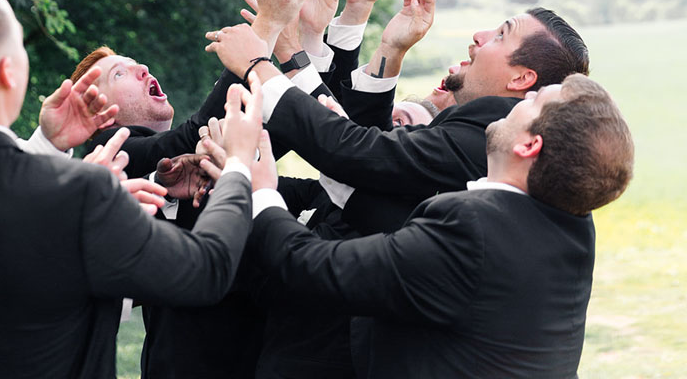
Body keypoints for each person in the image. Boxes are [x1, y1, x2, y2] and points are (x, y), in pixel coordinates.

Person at [0, 0, 260, 379]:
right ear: (8, 72)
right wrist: (239, 166)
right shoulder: (78, 194)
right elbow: (205, 271)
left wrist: (52, 148)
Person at [246, 74, 634, 379]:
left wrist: (261, 188)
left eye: (533, 102)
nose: (519, 102)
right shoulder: (572, 225)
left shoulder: (471, 226)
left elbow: (311, 266)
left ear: (529, 146)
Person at [207, 4, 591, 232]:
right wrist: (391, 48)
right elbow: (372, 156)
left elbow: (355, 153)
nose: (479, 35)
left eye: (501, 35)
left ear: (522, 78)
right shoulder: (483, 129)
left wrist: (261, 64)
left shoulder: (490, 135)